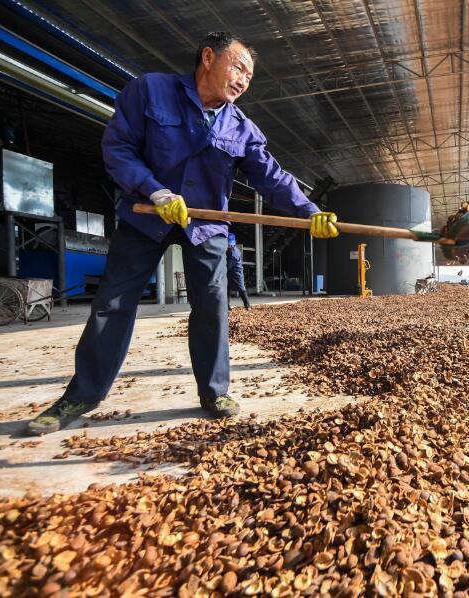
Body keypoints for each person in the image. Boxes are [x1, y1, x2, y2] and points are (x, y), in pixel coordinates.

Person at [27, 32, 339, 435]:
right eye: (239, 67)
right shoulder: (150, 91)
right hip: (146, 216)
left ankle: (214, 391)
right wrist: (155, 190)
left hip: (206, 225)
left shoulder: (241, 126)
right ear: (208, 58)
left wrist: (310, 211)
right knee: (112, 304)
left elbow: (273, 177)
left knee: (212, 307)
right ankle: (82, 394)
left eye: (249, 76)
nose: (244, 80)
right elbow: (118, 148)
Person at [226, 233, 250, 309]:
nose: (228, 245)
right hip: (230, 273)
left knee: (241, 289)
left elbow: (228, 266)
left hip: (236, 272)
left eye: (229, 244)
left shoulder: (233, 253)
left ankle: (247, 305)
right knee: (226, 288)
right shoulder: (230, 249)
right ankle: (227, 306)